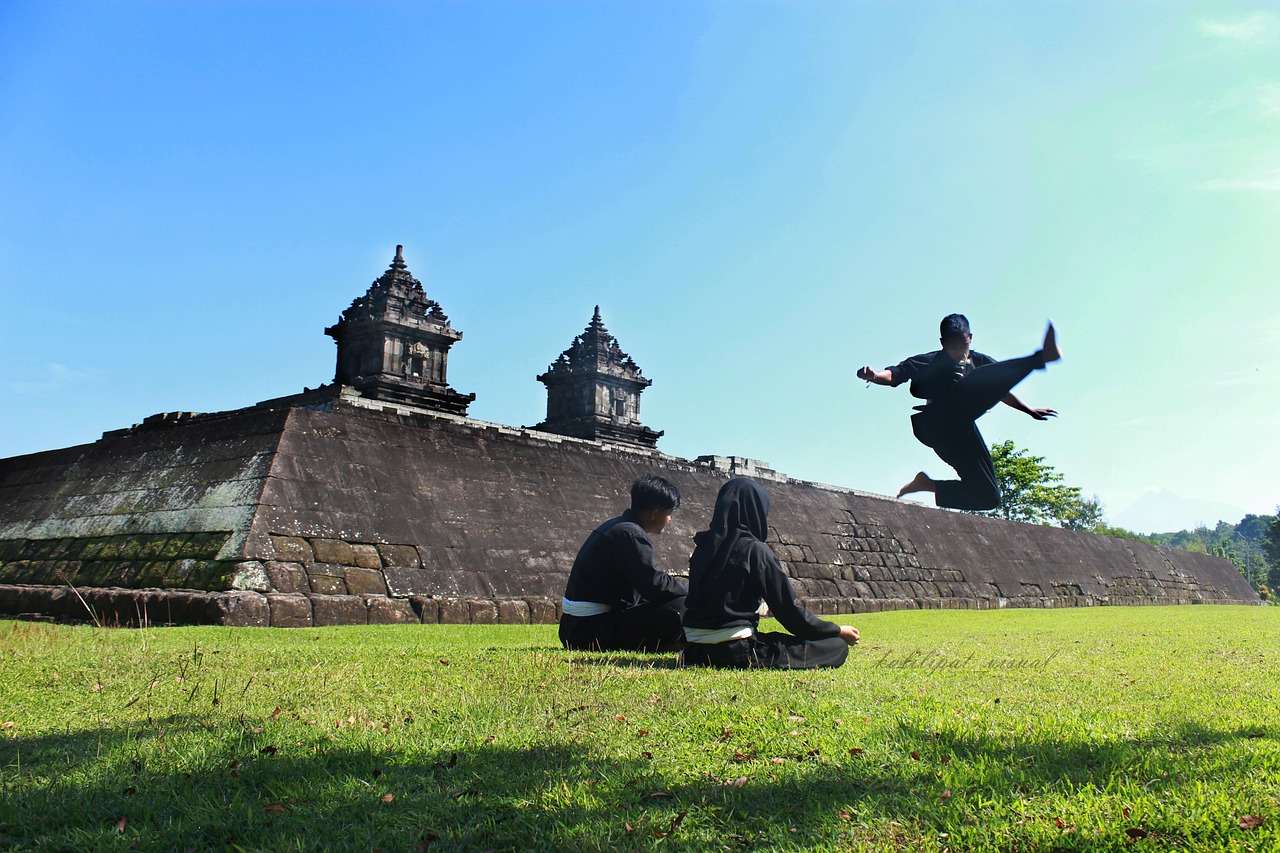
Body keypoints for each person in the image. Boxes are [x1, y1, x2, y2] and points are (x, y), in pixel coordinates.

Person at [856, 314, 1060, 511]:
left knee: (989, 496)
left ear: (970, 338)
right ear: (942, 342)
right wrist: (874, 376)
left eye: (962, 344)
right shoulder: (930, 361)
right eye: (951, 345)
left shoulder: (979, 360)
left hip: (961, 432)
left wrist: (1029, 410)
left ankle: (926, 484)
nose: (958, 350)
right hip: (935, 425)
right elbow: (894, 374)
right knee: (973, 383)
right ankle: (1041, 357)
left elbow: (1001, 391)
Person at [682, 477, 859, 669]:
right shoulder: (755, 550)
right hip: (734, 650)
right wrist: (836, 631)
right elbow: (788, 612)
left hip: (693, 649)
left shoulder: (702, 548)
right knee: (836, 647)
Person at [558, 474, 688, 652]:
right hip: (590, 632)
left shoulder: (616, 526)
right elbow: (655, 586)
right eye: (669, 514)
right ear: (655, 513)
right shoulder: (631, 535)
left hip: (573, 629)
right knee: (683, 605)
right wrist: (694, 588)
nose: (669, 520)